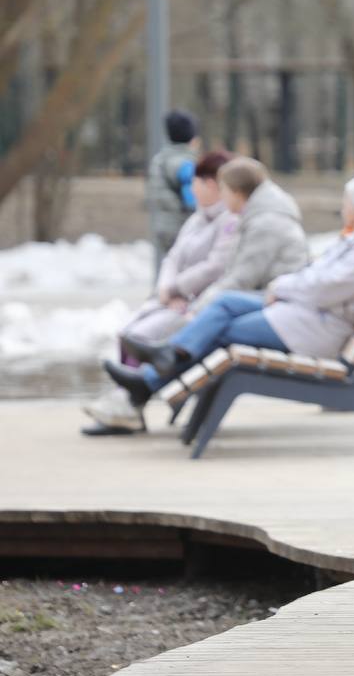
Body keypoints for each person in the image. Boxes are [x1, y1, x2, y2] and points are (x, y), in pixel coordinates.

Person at [98, 174, 354, 414]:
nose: (342, 209)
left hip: (316, 328)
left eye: (345, 204)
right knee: (225, 303)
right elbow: (318, 279)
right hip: (303, 314)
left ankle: (151, 379)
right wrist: (284, 288)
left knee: (224, 330)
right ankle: (165, 358)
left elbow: (326, 287)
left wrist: (281, 287)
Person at [82, 150, 238, 434]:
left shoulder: (230, 221)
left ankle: (127, 408)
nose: (192, 188)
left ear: (212, 184)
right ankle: (124, 409)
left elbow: (216, 267)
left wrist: (178, 290)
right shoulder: (197, 219)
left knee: (142, 336)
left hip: (198, 305)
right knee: (128, 333)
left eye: (196, 182)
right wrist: (166, 290)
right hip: (174, 299)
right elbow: (172, 258)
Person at [189, 157, 309, 313]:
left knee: (215, 311)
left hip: (278, 301)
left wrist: (196, 309)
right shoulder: (256, 216)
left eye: (223, 189)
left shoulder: (265, 223)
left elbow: (242, 279)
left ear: (237, 192)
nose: (222, 196)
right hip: (268, 295)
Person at [145, 110, 201, 253]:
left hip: (164, 226)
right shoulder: (185, 163)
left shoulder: (160, 159)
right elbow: (192, 200)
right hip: (183, 228)